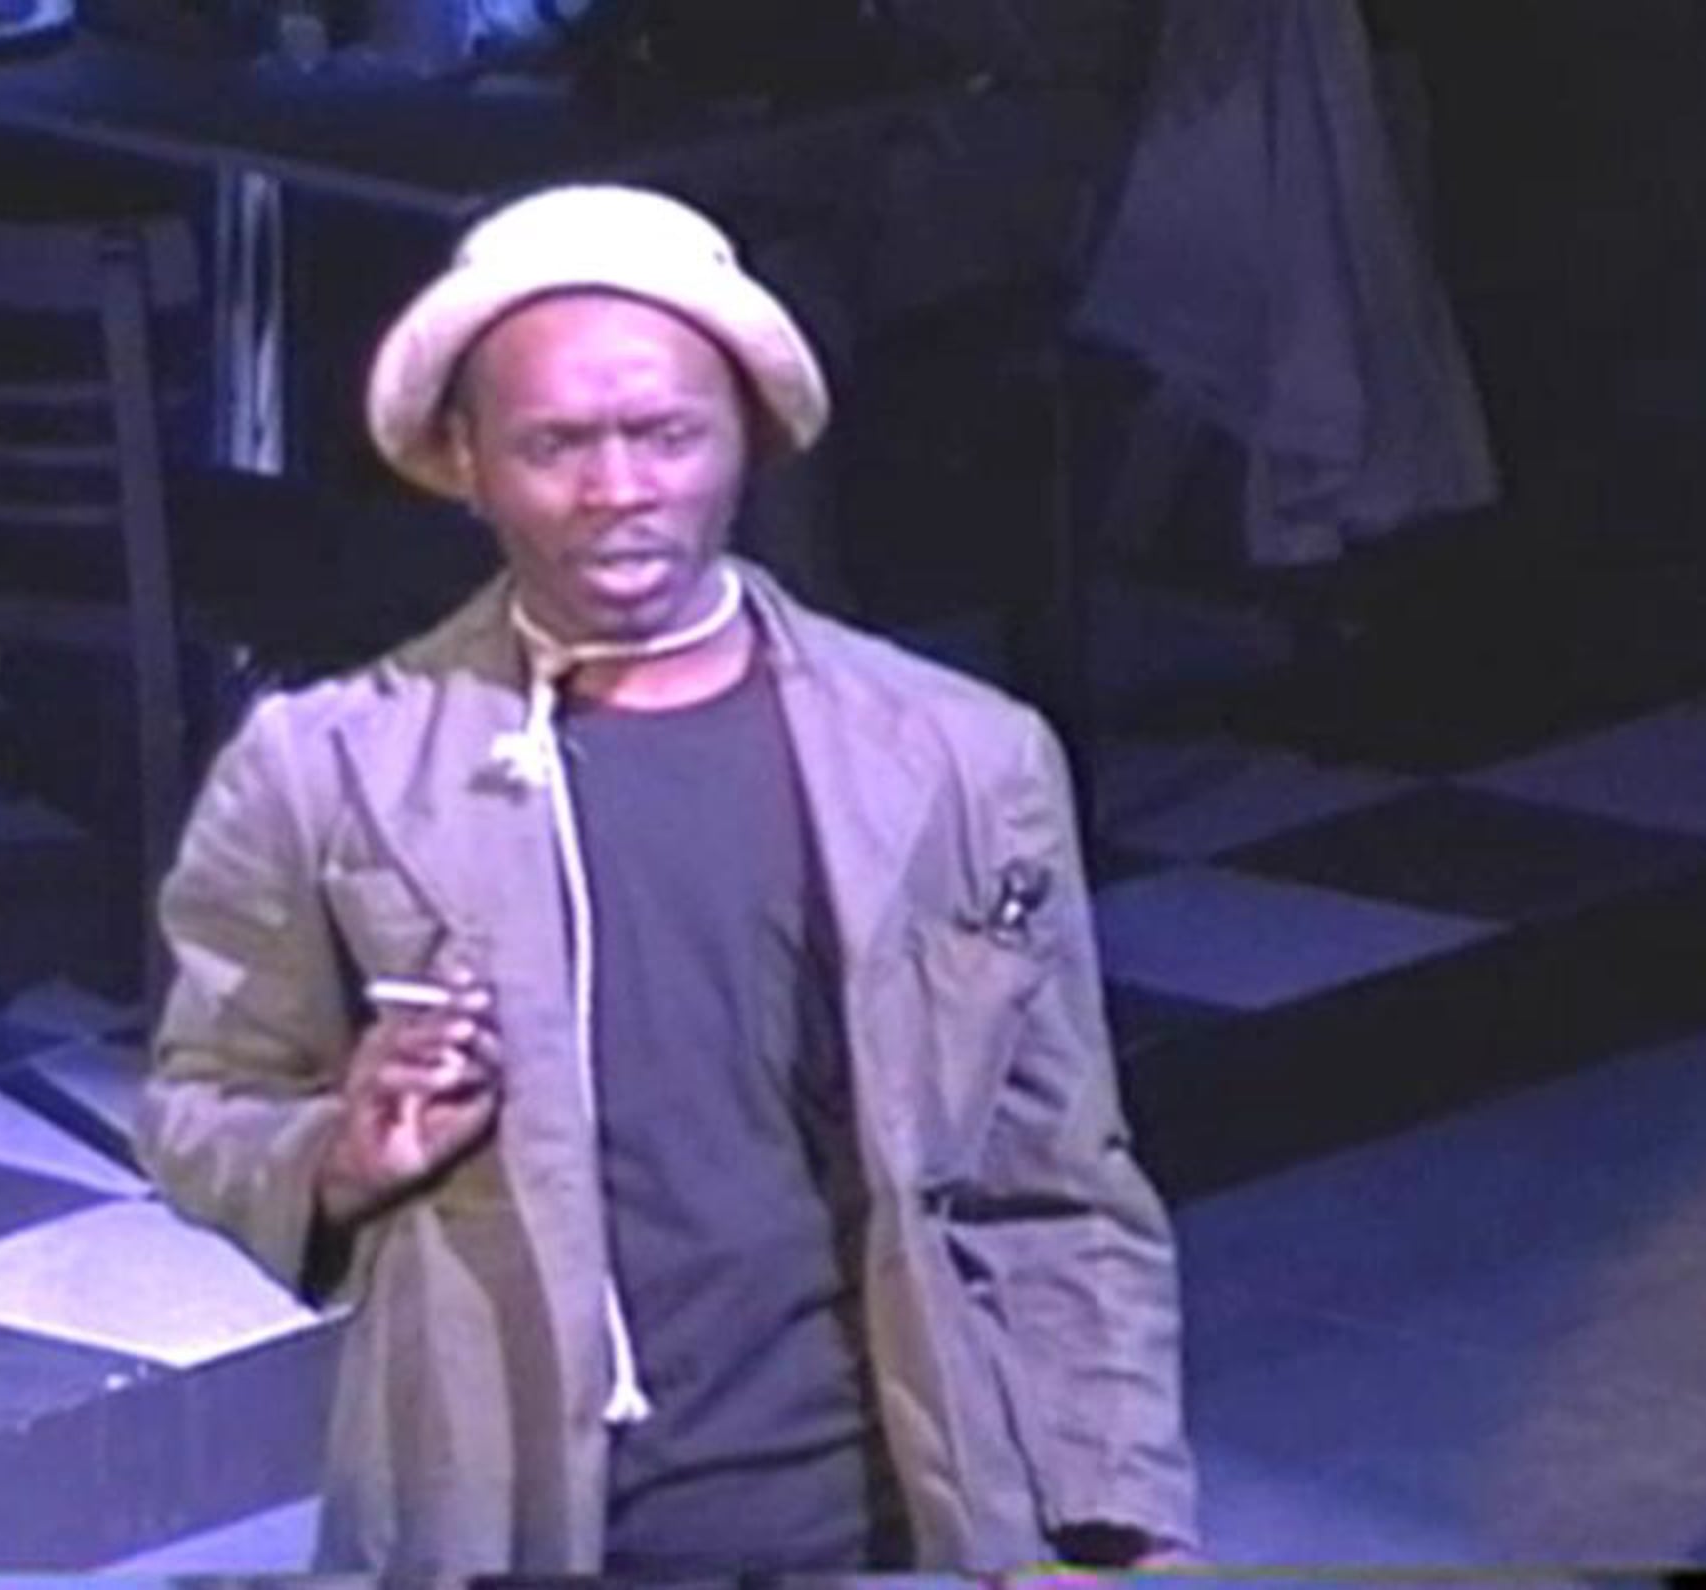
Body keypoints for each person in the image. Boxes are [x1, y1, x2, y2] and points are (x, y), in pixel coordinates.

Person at [137, 184, 1198, 1575]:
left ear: (747, 433)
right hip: (509, 1517)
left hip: (883, 1512)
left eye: (666, 435)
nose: (618, 490)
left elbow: (1059, 1180)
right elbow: (203, 1102)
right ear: (463, 459)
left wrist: (1120, 1519)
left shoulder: (959, 759)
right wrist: (340, 1154)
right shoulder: (330, 768)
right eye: (554, 445)